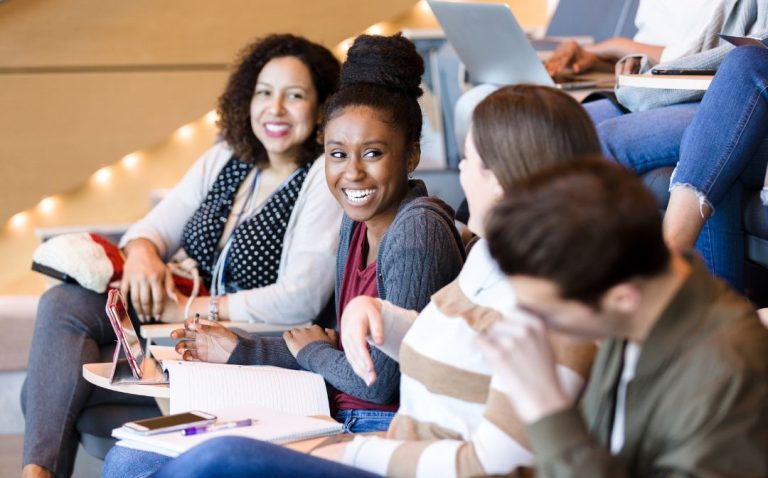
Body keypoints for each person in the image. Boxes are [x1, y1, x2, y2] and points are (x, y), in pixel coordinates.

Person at [140, 84, 602, 478]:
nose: (459, 173)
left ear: (503, 179)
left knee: (215, 457)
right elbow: (426, 347)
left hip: (386, 447)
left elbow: (486, 462)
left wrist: (353, 450)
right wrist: (379, 316)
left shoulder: (545, 311)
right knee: (143, 448)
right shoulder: (486, 260)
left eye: (468, 159)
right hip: (384, 440)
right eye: (337, 153)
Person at [102, 33, 466, 477]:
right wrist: (242, 348)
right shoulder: (355, 222)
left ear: (411, 156)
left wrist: (310, 351)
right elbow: (332, 345)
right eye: (337, 154)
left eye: (373, 153)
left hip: (382, 431)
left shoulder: (417, 230)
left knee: (193, 463)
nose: (352, 172)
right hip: (331, 413)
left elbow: (378, 381)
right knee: (129, 457)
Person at [21, 33, 342, 478]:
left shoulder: (322, 178)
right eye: (264, 93)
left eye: (295, 95)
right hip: (177, 322)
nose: (276, 108)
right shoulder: (228, 157)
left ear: (323, 106)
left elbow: (300, 298)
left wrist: (190, 307)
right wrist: (142, 255)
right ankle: (36, 473)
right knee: (63, 302)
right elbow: (153, 227)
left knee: (57, 384)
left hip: (244, 342)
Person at [480, 158, 768, 477]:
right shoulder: (634, 316)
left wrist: (548, 411)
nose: (535, 327)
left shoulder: (728, 371)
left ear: (622, 297)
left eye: (547, 313)